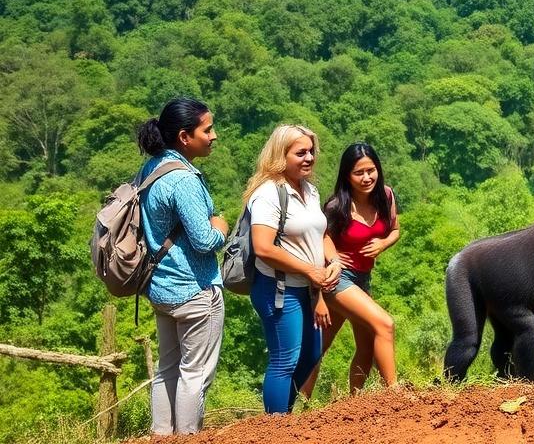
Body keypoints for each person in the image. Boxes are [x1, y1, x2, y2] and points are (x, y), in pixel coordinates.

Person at [137, 97, 229, 436]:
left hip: (161, 288)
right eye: (207, 130)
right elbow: (204, 240)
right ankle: (189, 437)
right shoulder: (185, 180)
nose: (214, 136)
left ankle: (162, 435)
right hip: (195, 290)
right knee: (195, 374)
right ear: (184, 137)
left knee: (167, 369)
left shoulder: (151, 168)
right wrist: (221, 225)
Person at [244, 124, 340, 414]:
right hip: (278, 287)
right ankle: (276, 427)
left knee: (310, 355)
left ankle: (282, 415)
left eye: (311, 151)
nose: (309, 158)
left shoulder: (309, 190)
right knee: (285, 359)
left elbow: (321, 234)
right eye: (300, 153)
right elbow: (263, 247)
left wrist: (333, 260)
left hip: (307, 288)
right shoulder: (269, 193)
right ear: (280, 155)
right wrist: (311, 271)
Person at [300, 142, 401, 397]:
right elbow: (319, 243)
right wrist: (320, 297)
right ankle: (395, 394)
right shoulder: (337, 207)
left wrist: (383, 244)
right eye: (359, 173)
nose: (367, 178)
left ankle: (353, 403)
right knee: (384, 324)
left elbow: (395, 230)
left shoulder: (385, 196)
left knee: (363, 345)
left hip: (363, 280)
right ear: (347, 175)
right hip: (337, 280)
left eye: (371, 170)